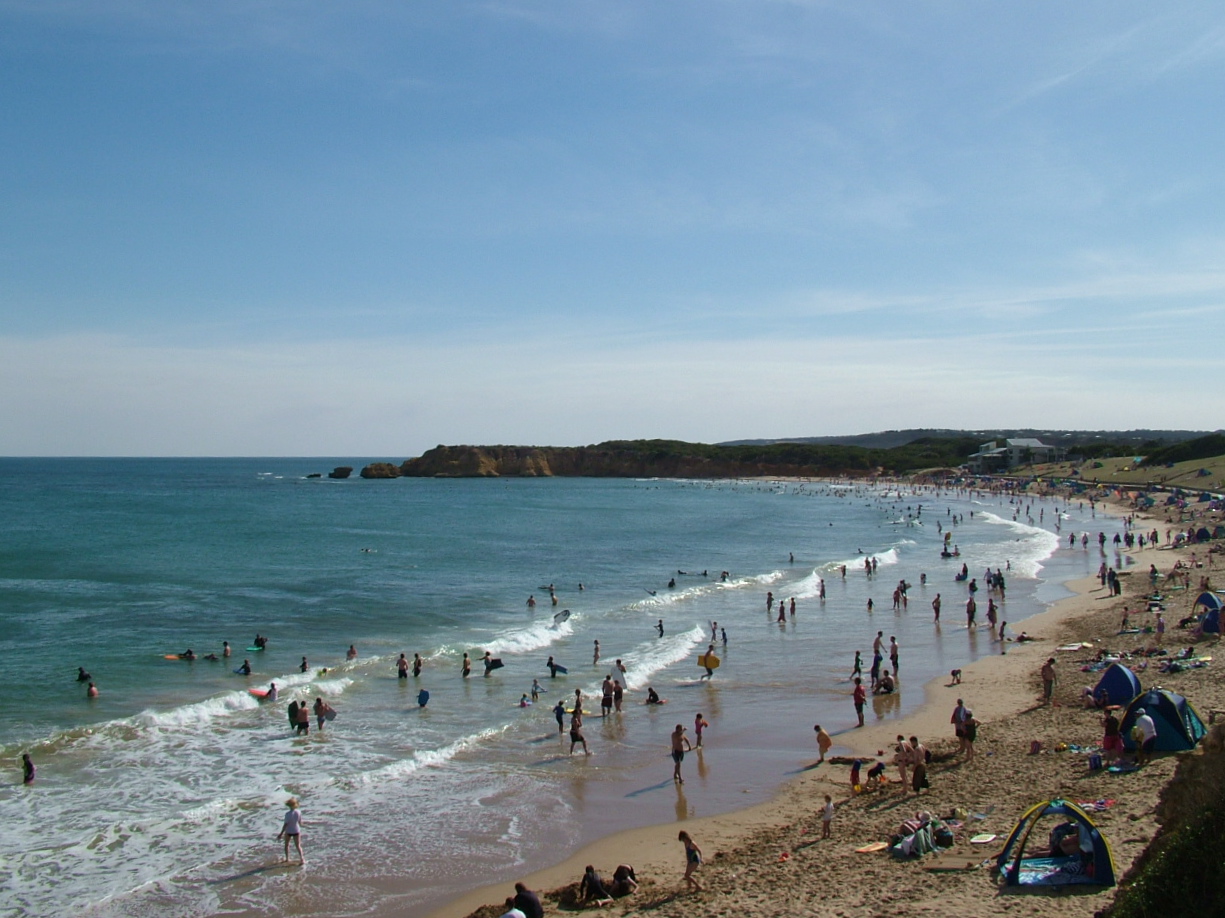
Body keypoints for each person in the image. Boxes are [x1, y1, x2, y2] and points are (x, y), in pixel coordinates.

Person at [277, 797, 305, 865]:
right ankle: (302, 859)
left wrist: (281, 833)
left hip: (289, 831)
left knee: (286, 845)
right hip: (296, 830)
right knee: (298, 845)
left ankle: (287, 858)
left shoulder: (287, 814)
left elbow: (285, 824)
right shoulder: (298, 812)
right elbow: (300, 822)